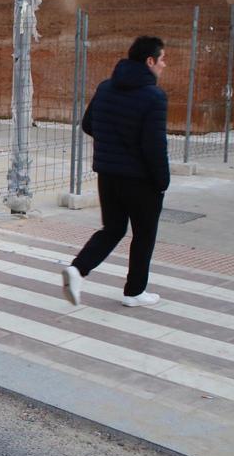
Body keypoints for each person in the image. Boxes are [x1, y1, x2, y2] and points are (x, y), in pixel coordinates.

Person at [62, 36, 169, 308]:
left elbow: (88, 124)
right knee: (144, 234)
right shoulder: (154, 97)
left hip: (108, 174)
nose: (164, 65)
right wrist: (162, 181)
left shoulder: (106, 87)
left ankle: (77, 270)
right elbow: (154, 146)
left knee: (112, 229)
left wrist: (113, 142)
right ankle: (135, 292)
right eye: (162, 59)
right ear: (149, 61)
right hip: (141, 180)